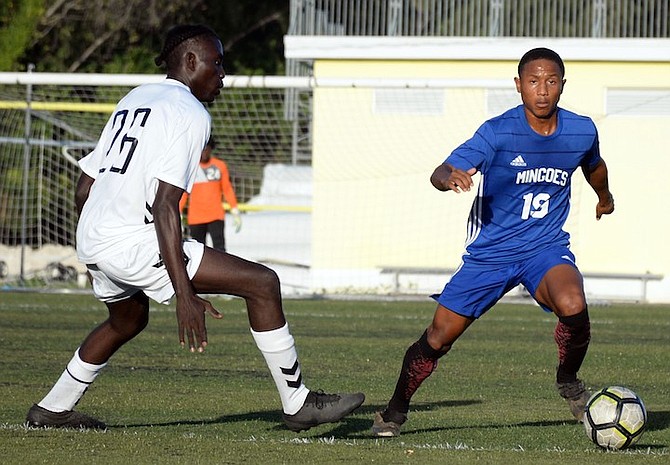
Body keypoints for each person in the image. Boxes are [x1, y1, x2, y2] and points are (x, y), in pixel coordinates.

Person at [25, 24, 364, 432]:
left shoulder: (135, 98)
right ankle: (298, 403)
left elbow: (85, 185)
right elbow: (165, 205)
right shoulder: (189, 112)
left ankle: (52, 408)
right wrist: (184, 294)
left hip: (93, 236)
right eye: (217, 63)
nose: (222, 75)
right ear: (189, 61)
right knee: (263, 283)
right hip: (130, 241)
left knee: (127, 321)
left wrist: (96, 243)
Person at [371, 47, 614, 437]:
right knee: (439, 337)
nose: (542, 90)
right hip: (492, 254)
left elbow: (594, 165)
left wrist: (605, 197)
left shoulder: (582, 130)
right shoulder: (497, 131)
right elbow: (443, 169)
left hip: (544, 249)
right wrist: (448, 178)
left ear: (562, 85)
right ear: (518, 85)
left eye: (551, 81)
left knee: (574, 304)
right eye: (533, 81)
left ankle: (568, 379)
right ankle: (395, 410)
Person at [179, 136, 241, 252]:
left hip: (216, 215)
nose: (204, 152)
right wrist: (178, 211)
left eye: (206, 148)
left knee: (220, 249)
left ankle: (223, 270)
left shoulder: (219, 166)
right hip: (196, 218)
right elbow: (184, 192)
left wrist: (234, 209)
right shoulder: (191, 167)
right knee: (198, 251)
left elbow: (227, 188)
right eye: (201, 149)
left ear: (211, 149)